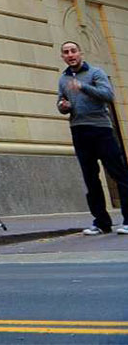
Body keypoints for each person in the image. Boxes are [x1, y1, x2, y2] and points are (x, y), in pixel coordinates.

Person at [57, 41, 128, 235]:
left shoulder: (96, 73)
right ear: (62, 56)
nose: (70, 55)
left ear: (80, 53)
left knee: (119, 173)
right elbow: (61, 101)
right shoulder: (63, 79)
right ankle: (101, 222)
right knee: (91, 178)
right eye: (66, 52)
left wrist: (83, 87)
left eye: (73, 51)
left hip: (101, 129)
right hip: (79, 130)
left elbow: (108, 95)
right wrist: (63, 106)